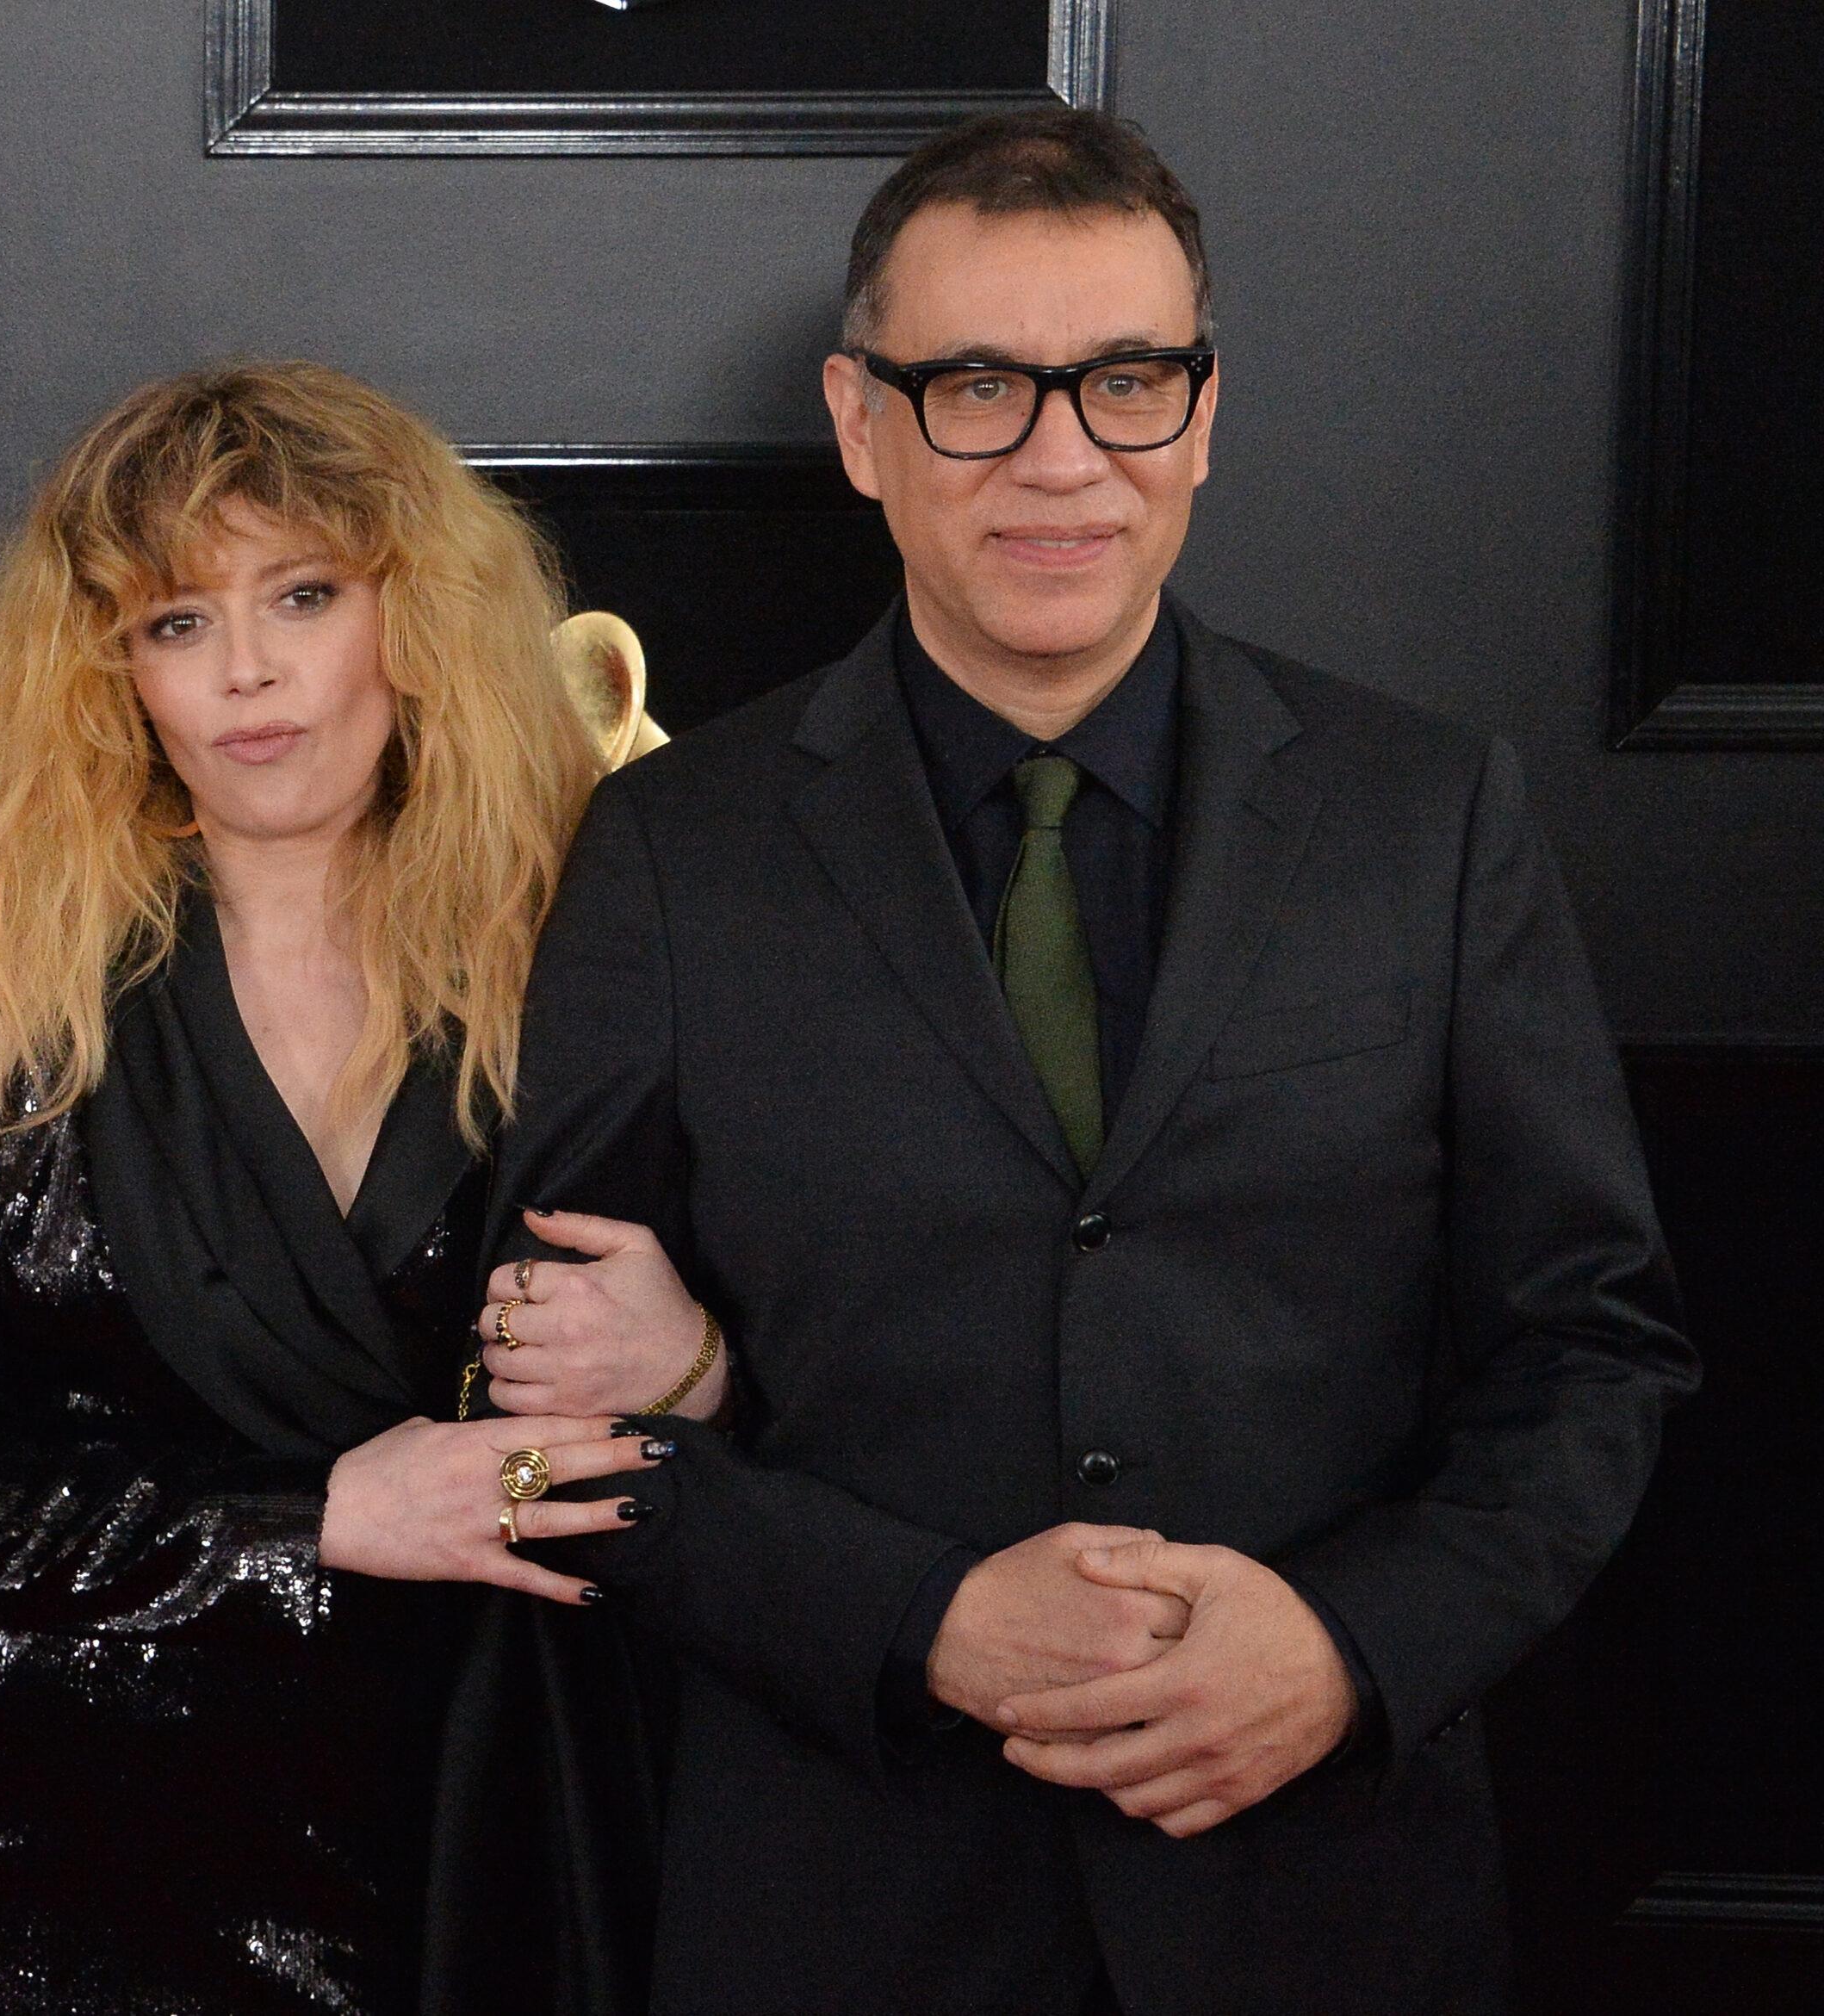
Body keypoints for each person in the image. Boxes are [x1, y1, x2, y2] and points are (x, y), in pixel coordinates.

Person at [475, 109, 1697, 2015]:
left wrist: (1346, 1647)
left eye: (1123, 380)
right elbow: (554, 1425)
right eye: (976, 384)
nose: (1060, 458)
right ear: (860, 422)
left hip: (1325, 1908)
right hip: (842, 1909)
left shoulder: (1425, 813)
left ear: (1199, 413)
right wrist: (925, 1625)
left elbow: (1590, 1346)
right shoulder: (665, 848)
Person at [0, 361, 717, 2014]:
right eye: (174, 622)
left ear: (413, 622)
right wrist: (315, 1526)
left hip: (476, 1818)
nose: (246, 672)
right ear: (110, 673)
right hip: (40, 1866)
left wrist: (697, 1370)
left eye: (302, 596)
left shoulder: (588, 937)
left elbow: (806, 1371)